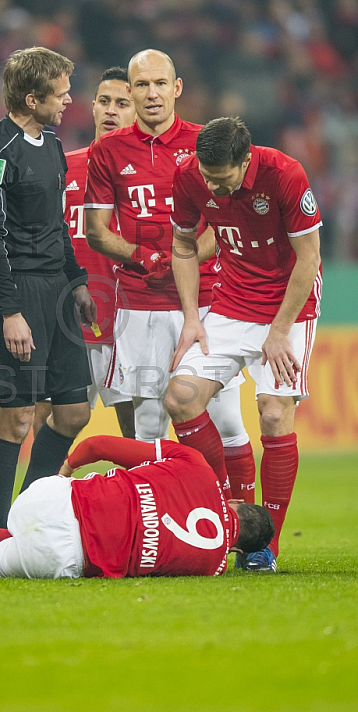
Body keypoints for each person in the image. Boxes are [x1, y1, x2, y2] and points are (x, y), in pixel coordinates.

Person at [85, 49, 254, 500]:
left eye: (160, 84)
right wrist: (143, 256)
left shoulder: (206, 144)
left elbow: (231, 220)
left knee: (226, 419)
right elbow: (95, 231)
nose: (152, 93)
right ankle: (160, 520)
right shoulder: (107, 151)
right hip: (139, 305)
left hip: (208, 301)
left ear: (177, 88)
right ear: (131, 92)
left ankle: (240, 521)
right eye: (142, 85)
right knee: (147, 422)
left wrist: (183, 259)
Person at [165, 116, 322, 572]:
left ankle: (263, 546)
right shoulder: (190, 173)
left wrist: (278, 331)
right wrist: (193, 317)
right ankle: (225, 509)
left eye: (222, 178)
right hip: (231, 305)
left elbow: (309, 258)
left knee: (273, 413)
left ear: (245, 160)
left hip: (289, 308)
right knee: (181, 399)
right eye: (206, 176)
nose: (212, 186)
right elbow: (183, 243)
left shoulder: (285, 174)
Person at [0, 434, 274, 580]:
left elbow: (98, 444)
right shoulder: (213, 563)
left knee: (32, 526)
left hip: (53, 496)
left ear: (236, 501)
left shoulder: (196, 464)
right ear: (238, 549)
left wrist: (63, 472)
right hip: (67, 555)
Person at [0, 47, 95, 528]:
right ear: (31, 97)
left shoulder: (54, 145)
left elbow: (58, 224)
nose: (68, 101)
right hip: (13, 289)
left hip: (57, 288)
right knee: (17, 419)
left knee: (75, 411)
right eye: (59, 94)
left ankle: (26, 510)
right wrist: (10, 310)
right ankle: (0, 531)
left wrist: (77, 281)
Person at [34, 66, 136, 439]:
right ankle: (41, 494)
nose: (111, 110)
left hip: (128, 324)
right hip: (69, 322)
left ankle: (143, 497)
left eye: (122, 103)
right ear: (92, 108)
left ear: (138, 109)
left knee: (137, 432)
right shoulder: (64, 166)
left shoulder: (150, 178)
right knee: (50, 425)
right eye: (105, 102)